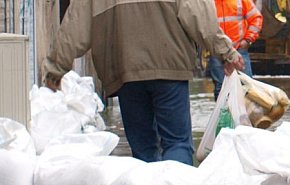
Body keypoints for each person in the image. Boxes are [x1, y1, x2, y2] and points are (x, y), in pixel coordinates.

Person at [41, 0, 245, 166]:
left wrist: (56, 68)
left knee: (143, 149)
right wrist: (226, 53)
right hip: (169, 67)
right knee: (177, 143)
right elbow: (200, 17)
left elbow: (74, 27)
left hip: (124, 70)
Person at [209, 0, 264, 100]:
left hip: (238, 49)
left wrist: (248, 39)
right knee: (221, 89)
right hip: (217, 52)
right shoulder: (208, 2)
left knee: (246, 88)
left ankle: (245, 114)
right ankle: (225, 114)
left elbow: (256, 18)